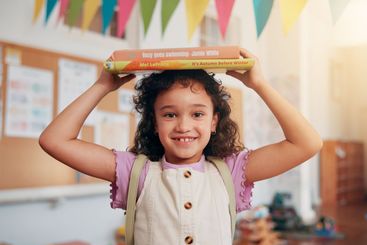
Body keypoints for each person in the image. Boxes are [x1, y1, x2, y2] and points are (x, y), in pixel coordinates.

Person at [39, 48, 323, 245]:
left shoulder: (231, 172)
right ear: (154, 122)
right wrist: (101, 87)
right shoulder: (135, 172)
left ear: (214, 121)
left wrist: (259, 84)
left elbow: (307, 143)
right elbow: (54, 140)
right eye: (169, 114)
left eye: (197, 114)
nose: (183, 126)